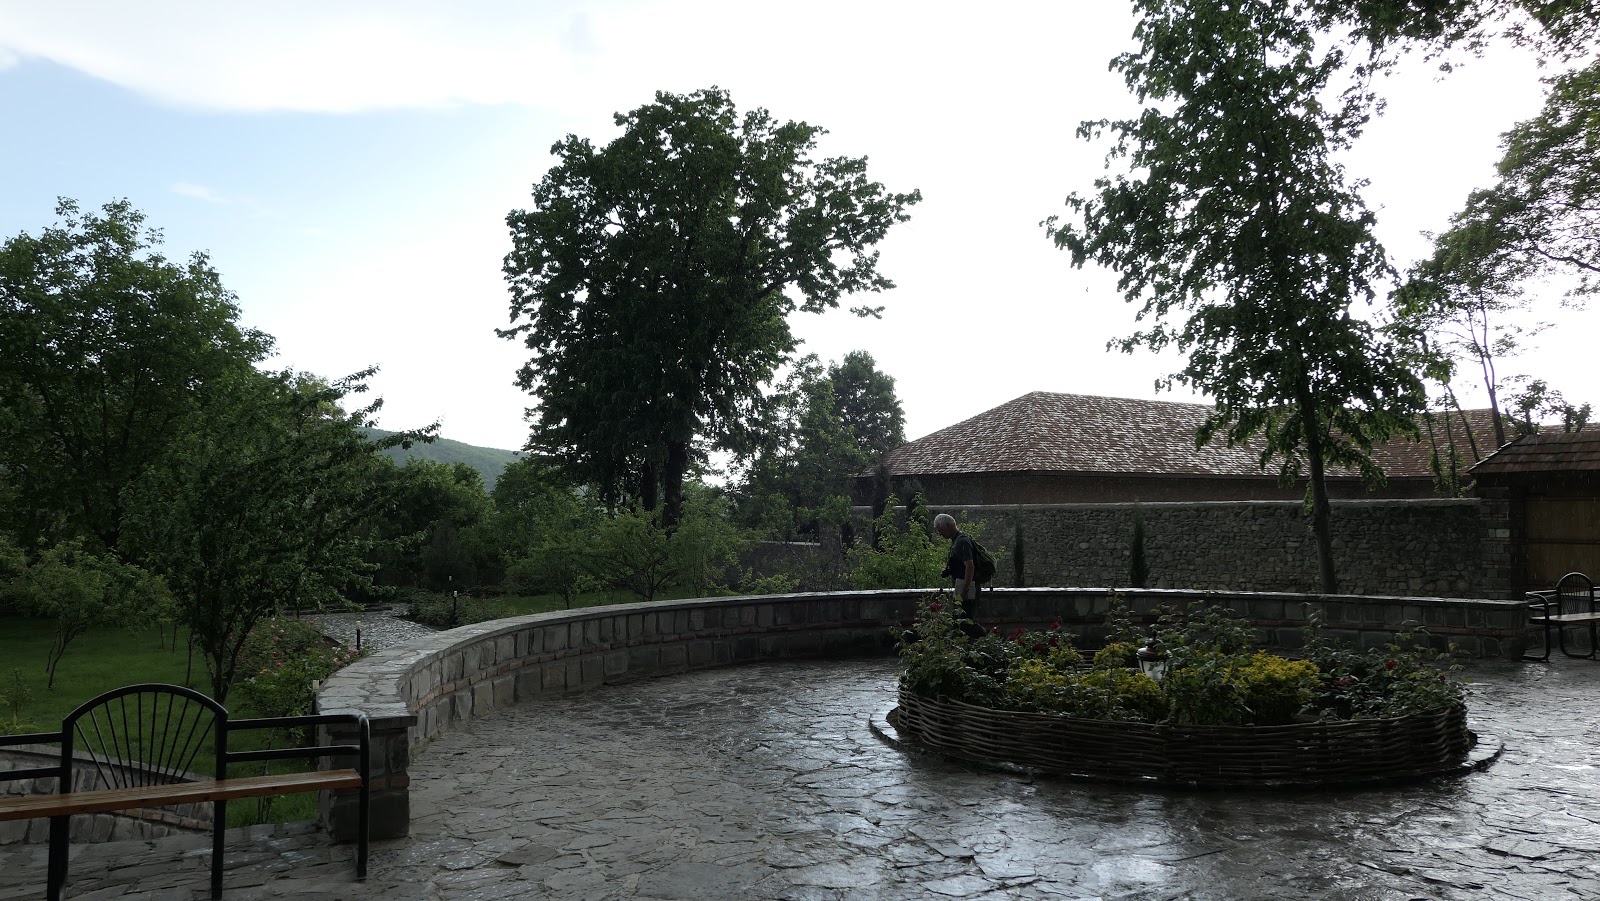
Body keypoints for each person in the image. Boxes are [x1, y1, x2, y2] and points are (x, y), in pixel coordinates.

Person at [934, 513, 985, 638]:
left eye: (941, 530)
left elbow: (970, 566)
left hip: (966, 588)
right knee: (960, 622)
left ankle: (984, 635)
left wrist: (965, 589)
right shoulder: (957, 541)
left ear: (949, 525)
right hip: (962, 587)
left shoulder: (962, 542)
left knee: (964, 623)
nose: (940, 534)